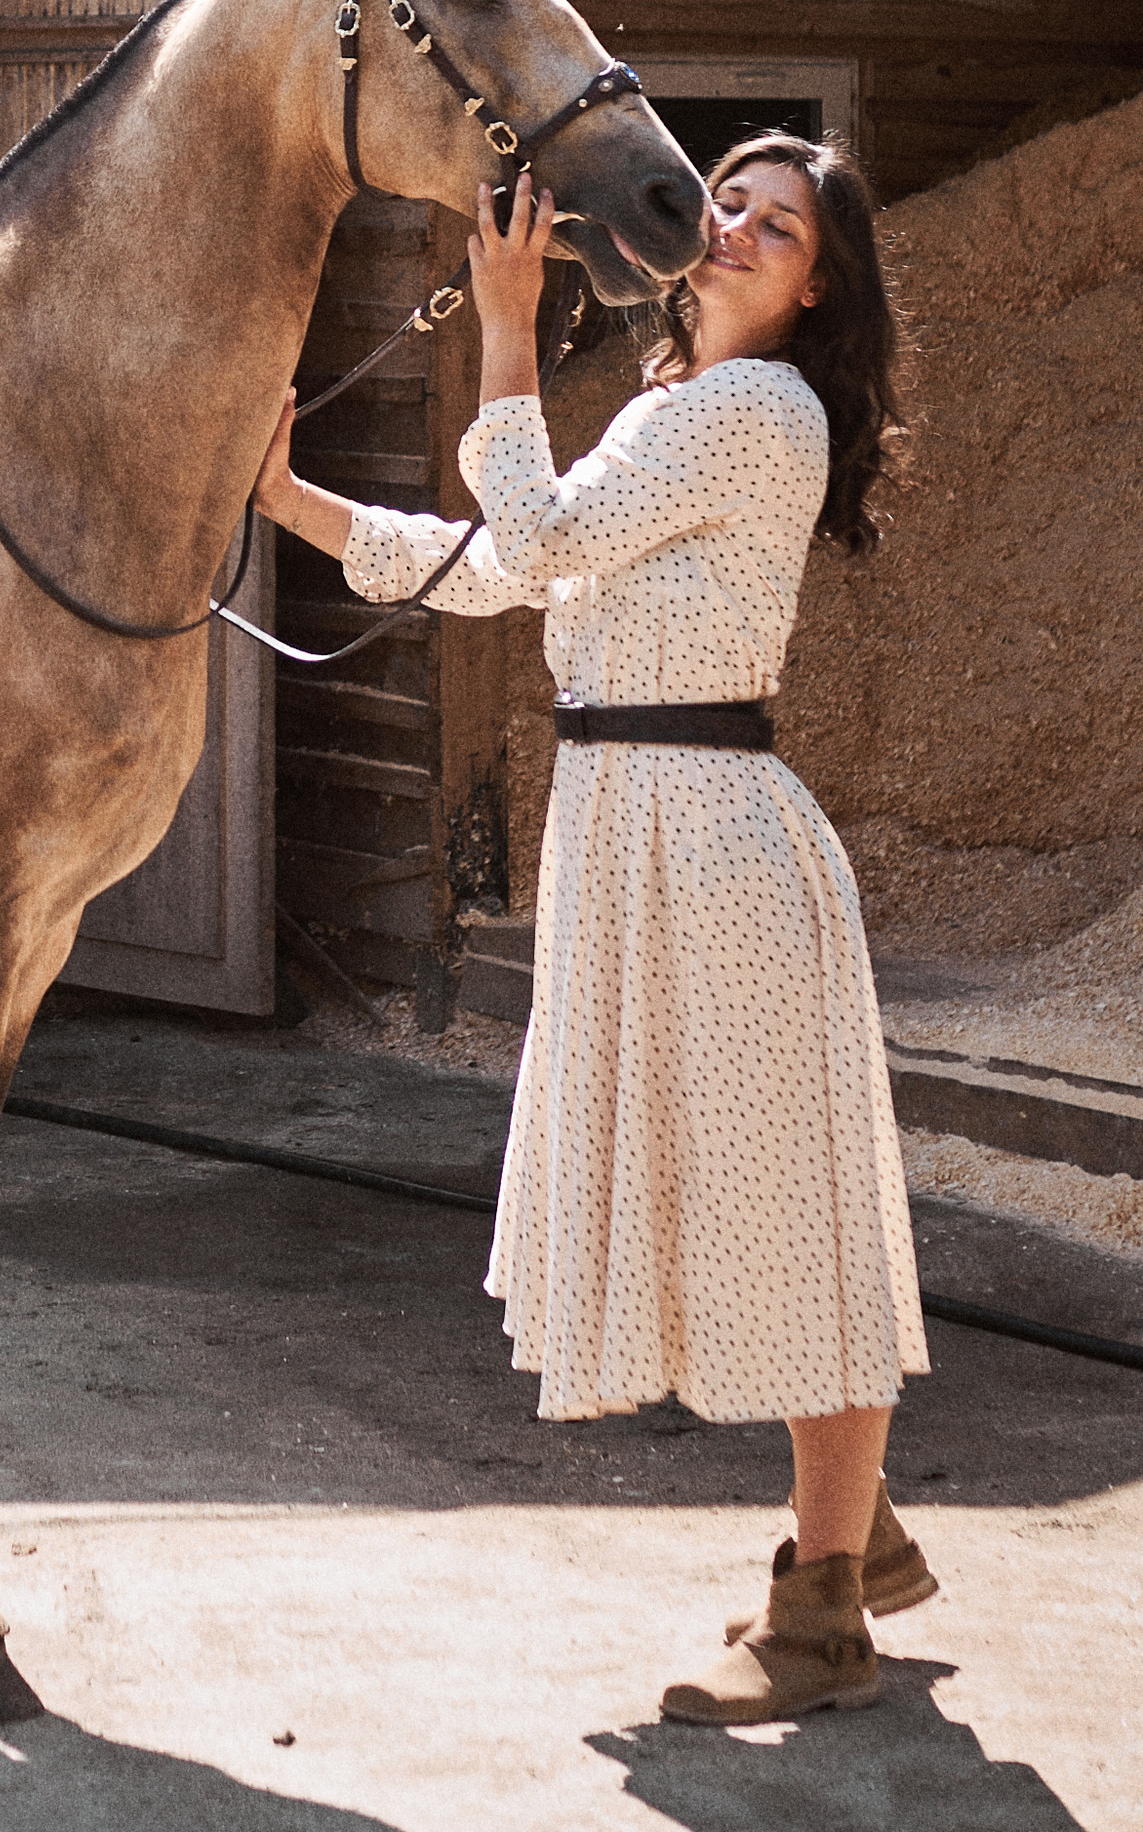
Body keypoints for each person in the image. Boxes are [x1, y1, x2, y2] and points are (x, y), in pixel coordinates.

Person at [257, 134, 928, 1723]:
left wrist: (499, 324)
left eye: (783, 222)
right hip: (634, 829)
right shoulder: (668, 417)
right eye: (732, 202)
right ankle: (858, 1516)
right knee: (726, 1191)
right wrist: (285, 498)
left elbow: (541, 535)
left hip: (713, 839)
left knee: (776, 1203)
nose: (743, 224)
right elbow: (506, 569)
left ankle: (825, 1613)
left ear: (819, 281)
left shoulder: (760, 412)